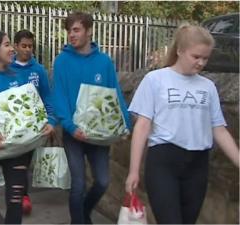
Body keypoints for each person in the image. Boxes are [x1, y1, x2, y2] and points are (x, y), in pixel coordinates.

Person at [124, 24, 240, 224]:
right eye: (196, 57)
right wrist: (134, 171)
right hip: (164, 161)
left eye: (205, 58)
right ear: (180, 50)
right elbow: (142, 126)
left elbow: (219, 130)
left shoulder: (208, 87)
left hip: (197, 165)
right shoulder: (155, 80)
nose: (201, 63)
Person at [52, 12, 131, 224]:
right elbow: (58, 96)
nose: (71, 34)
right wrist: (69, 126)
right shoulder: (62, 61)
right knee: (78, 184)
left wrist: (125, 123)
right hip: (73, 133)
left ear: (89, 31)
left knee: (103, 182)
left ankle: (83, 213)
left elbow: (114, 94)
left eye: (76, 30)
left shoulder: (104, 62)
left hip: (99, 134)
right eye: (69, 30)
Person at [0, 30, 53, 224]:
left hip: (17, 149)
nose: (12, 49)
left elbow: (29, 110)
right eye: (7, 44)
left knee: (16, 199)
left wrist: (45, 122)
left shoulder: (17, 76)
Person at [11, 29, 57, 215]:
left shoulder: (38, 70)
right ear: (15, 46)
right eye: (24, 46)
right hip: (13, 126)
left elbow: (47, 96)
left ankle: (22, 195)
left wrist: (51, 119)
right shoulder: (7, 69)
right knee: (15, 163)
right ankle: (20, 195)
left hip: (33, 126)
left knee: (25, 162)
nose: (28, 50)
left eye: (30, 46)